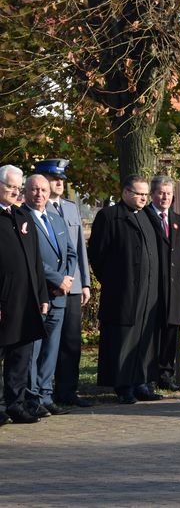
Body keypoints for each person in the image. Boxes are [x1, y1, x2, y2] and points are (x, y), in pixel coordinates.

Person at [89, 175, 163, 404]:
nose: (143, 198)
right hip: (123, 292)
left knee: (144, 336)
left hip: (149, 291)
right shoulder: (109, 217)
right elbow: (97, 255)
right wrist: (115, 280)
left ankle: (141, 381)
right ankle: (123, 386)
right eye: (139, 194)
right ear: (125, 193)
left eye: (145, 194)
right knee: (123, 339)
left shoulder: (148, 216)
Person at [36, 159, 94, 408]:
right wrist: (58, 280)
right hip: (48, 286)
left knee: (71, 341)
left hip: (73, 283)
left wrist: (85, 282)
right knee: (48, 343)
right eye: (53, 178)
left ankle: (68, 390)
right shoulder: (35, 208)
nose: (59, 183)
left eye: (61, 179)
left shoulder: (70, 208)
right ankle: (41, 391)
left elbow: (79, 248)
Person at [21, 174, 77, 418]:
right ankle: (30, 397)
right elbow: (29, 258)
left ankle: (46, 395)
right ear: (25, 192)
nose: (40, 194)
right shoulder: (21, 219)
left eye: (43, 190)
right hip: (37, 295)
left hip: (59, 296)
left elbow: (71, 253)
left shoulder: (55, 218)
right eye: (34, 190)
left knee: (51, 349)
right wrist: (56, 280)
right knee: (33, 350)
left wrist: (66, 281)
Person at [0, 165, 49, 424]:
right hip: (3, 299)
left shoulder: (22, 217)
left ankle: (16, 404)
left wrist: (42, 295)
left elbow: (35, 262)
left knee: (21, 355)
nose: (15, 191)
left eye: (18, 187)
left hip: (25, 299)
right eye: (10, 186)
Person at [144, 175, 180, 392]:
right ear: (152, 194)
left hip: (174, 286)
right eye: (161, 192)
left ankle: (166, 374)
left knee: (171, 330)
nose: (164, 197)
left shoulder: (179, 220)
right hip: (153, 285)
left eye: (168, 193)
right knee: (153, 332)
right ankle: (149, 375)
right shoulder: (144, 216)